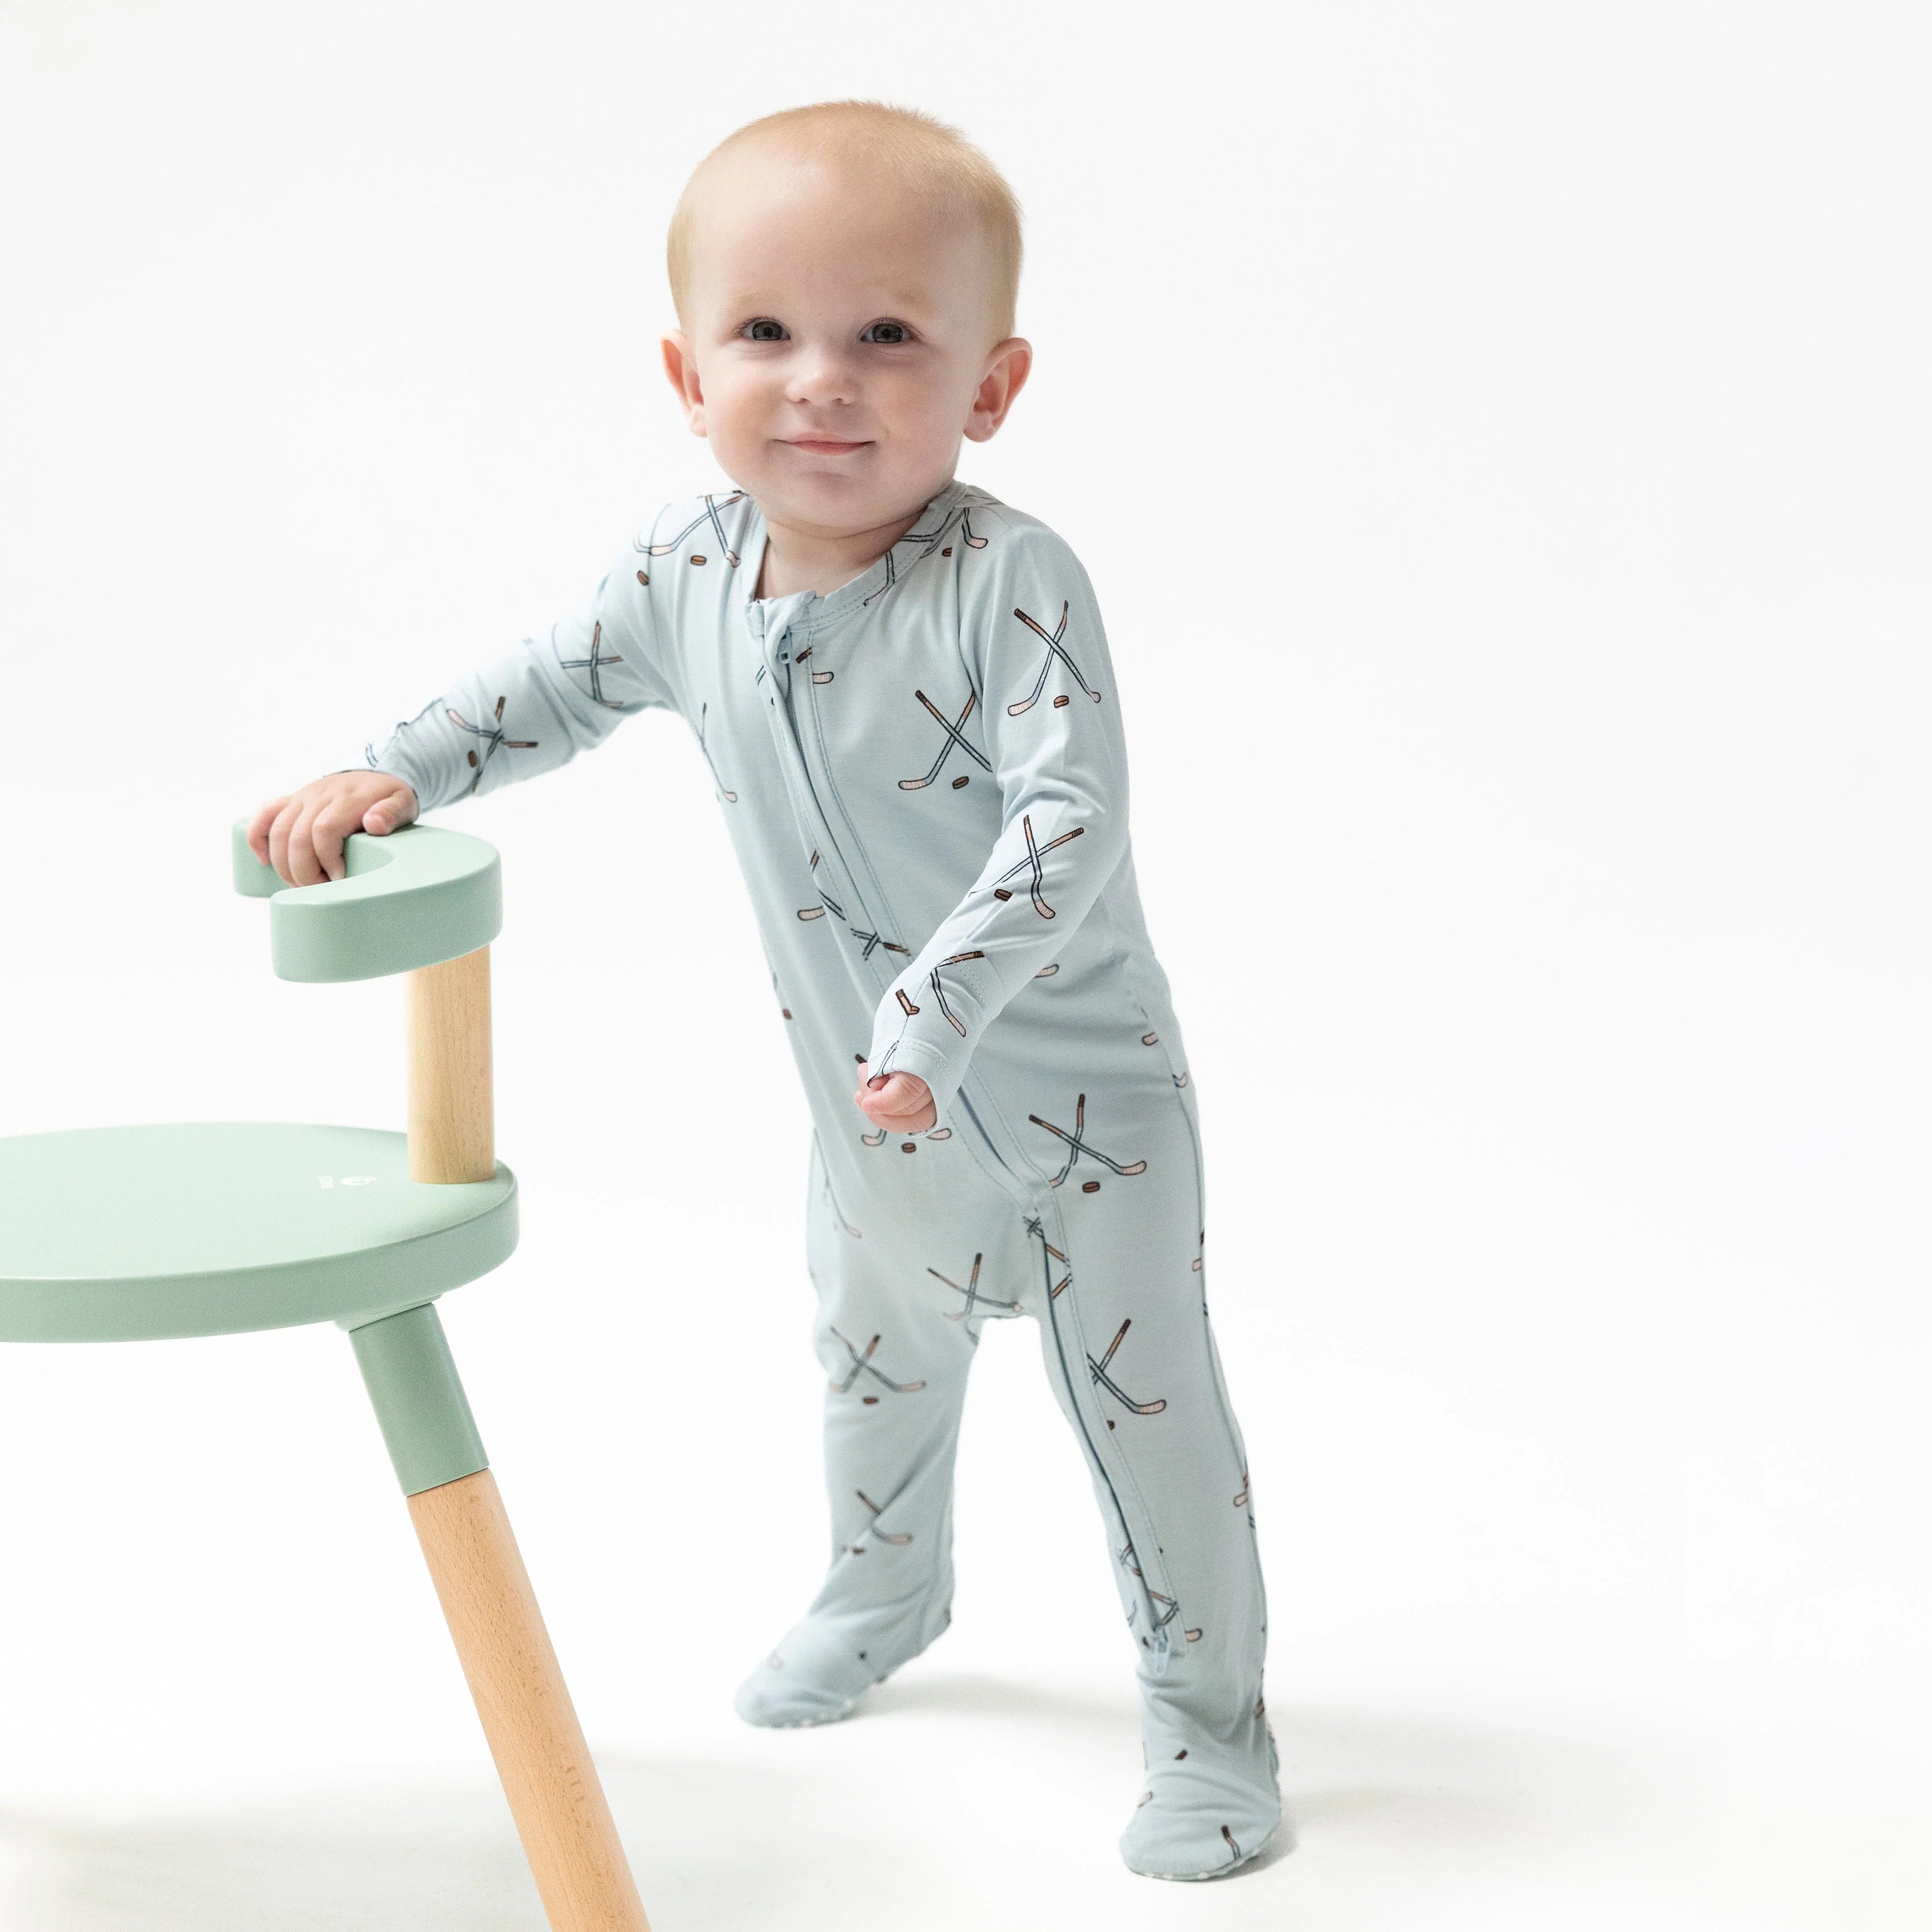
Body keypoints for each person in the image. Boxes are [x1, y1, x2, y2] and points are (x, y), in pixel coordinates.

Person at [248, 99, 1279, 1881]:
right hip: (868, 1133)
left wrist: (934, 1013)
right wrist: (393, 766)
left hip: (1080, 1121)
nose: (823, 381)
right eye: (765, 331)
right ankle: (885, 1591)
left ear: (992, 386)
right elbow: (547, 686)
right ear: (687, 372)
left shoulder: (1011, 584)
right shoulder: (686, 575)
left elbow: (1070, 821)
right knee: (873, 1370)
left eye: (887, 334)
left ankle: (1210, 1725)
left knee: (1150, 1420)